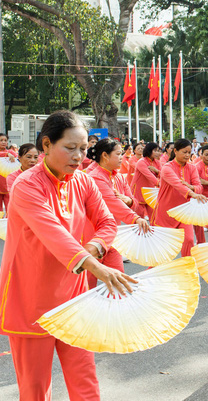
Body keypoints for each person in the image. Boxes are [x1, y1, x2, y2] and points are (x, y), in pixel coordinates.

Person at [0, 110, 135, 400]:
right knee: (35, 389)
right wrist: (97, 268)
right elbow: (53, 235)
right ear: (46, 145)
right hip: (30, 299)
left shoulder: (83, 182)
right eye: (70, 148)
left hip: (74, 296)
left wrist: (94, 248)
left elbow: (107, 222)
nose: (78, 156)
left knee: (84, 381)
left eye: (84, 149)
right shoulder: (26, 185)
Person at [86, 138, 150, 287]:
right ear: (105, 156)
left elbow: (133, 202)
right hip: (93, 237)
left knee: (118, 280)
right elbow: (113, 203)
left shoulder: (119, 177)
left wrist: (128, 201)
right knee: (88, 285)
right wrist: (135, 218)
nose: (122, 157)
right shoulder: (95, 178)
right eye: (118, 154)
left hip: (113, 235)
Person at [151, 139, 207, 257]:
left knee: (189, 240)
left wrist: (191, 187)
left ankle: (187, 269)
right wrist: (192, 193)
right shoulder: (167, 168)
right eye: (184, 152)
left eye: (189, 152)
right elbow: (177, 184)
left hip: (184, 212)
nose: (187, 155)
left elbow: (199, 187)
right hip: (166, 213)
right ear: (175, 151)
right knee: (162, 250)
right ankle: (152, 273)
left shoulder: (192, 168)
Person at [0, 133, 19, 212]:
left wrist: (12, 155)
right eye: (1, 140)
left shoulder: (11, 152)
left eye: (5, 140)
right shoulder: (7, 153)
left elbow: (18, 157)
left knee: (9, 209)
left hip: (8, 185)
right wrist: (7, 154)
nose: (3, 142)